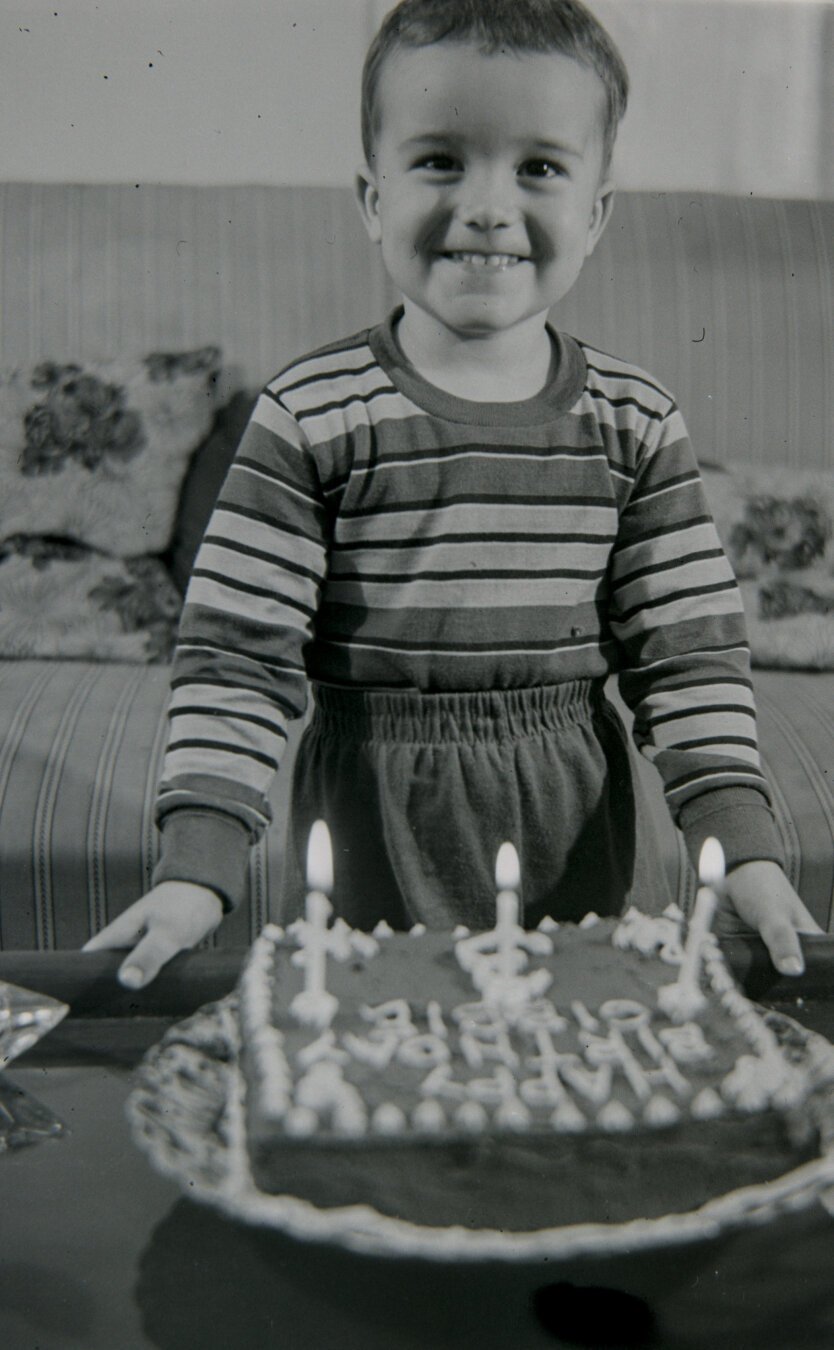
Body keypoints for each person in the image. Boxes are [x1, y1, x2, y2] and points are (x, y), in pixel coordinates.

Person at [84, 0, 820, 987]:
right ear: (371, 197)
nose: (486, 204)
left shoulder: (637, 421)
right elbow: (235, 657)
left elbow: (688, 661)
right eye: (439, 159)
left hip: (580, 817)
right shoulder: (307, 415)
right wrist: (197, 871)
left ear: (596, 212)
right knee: (391, 1073)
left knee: (575, 1071)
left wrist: (749, 851)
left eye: (539, 168)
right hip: (374, 817)